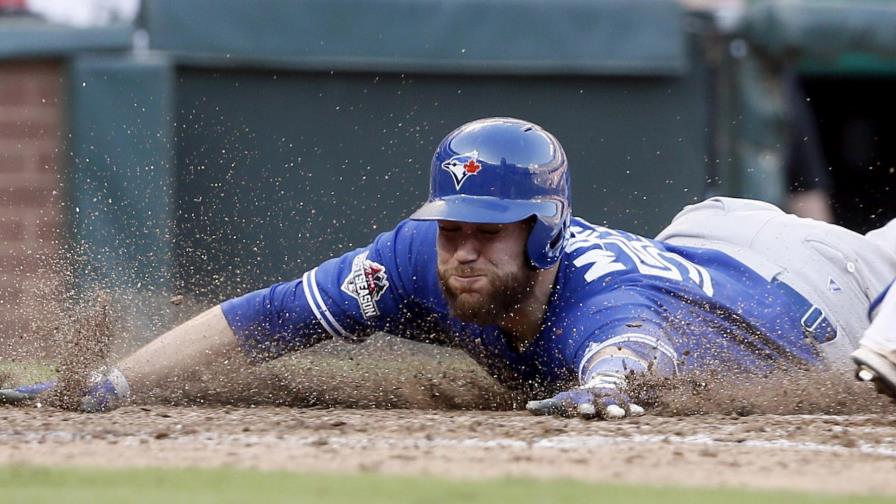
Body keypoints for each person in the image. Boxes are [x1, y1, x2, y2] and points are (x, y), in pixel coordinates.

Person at [3, 117, 896, 419]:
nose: (465, 247)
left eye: (492, 230)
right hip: (709, 237)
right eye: (452, 226)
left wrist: (606, 388)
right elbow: (265, 319)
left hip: (826, 290)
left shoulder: (603, 307)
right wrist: (112, 384)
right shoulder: (415, 262)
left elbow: (631, 353)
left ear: (542, 235)